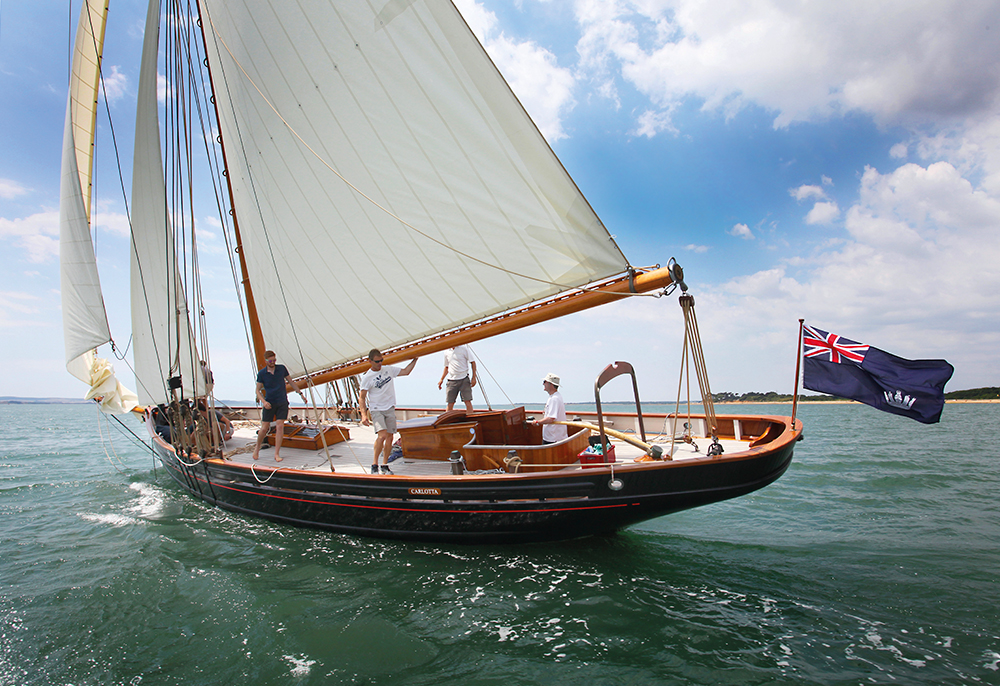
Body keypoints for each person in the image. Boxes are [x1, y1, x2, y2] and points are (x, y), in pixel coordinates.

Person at [359, 349, 417, 474]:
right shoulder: (367, 377)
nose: (379, 363)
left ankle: (384, 465)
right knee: (382, 436)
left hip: (389, 407)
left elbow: (406, 372)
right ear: (370, 361)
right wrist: (363, 415)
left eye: (381, 360)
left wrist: (415, 359)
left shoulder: (388, 370)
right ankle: (374, 464)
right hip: (376, 409)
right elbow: (362, 397)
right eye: (377, 361)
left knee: (390, 437)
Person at [252, 351, 306, 462]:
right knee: (264, 428)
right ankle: (257, 448)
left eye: (274, 360)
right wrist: (263, 402)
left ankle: (277, 453)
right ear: (266, 361)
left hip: (282, 401)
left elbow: (291, 382)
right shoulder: (262, 374)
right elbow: (257, 390)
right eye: (270, 361)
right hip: (269, 403)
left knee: (280, 426)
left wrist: (300, 394)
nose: (273, 363)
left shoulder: (281, 369)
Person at [437, 345, 477, 412]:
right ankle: (448, 421)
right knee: (450, 402)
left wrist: (474, 377)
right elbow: (446, 367)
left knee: (467, 401)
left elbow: (473, 362)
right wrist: (441, 379)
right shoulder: (447, 351)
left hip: (464, 378)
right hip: (451, 380)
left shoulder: (464, 348)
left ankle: (471, 419)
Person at [534, 372, 567, 444]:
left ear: (550, 384)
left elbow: (550, 418)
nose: (543, 384)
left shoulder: (554, 399)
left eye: (544, 382)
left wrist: (537, 422)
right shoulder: (554, 397)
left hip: (553, 439)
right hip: (553, 438)